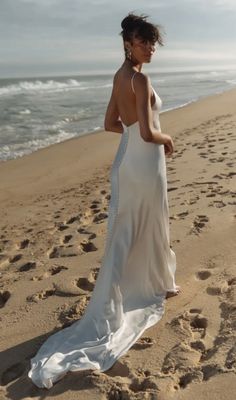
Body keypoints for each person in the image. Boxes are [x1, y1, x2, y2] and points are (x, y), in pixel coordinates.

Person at [28, 12, 179, 390]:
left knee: (129, 225)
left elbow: (112, 124)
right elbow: (148, 131)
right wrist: (168, 139)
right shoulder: (140, 79)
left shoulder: (118, 77)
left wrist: (135, 133)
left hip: (128, 161)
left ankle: (153, 281)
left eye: (153, 43)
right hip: (145, 162)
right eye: (144, 42)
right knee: (150, 219)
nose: (150, 48)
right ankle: (158, 283)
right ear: (129, 43)